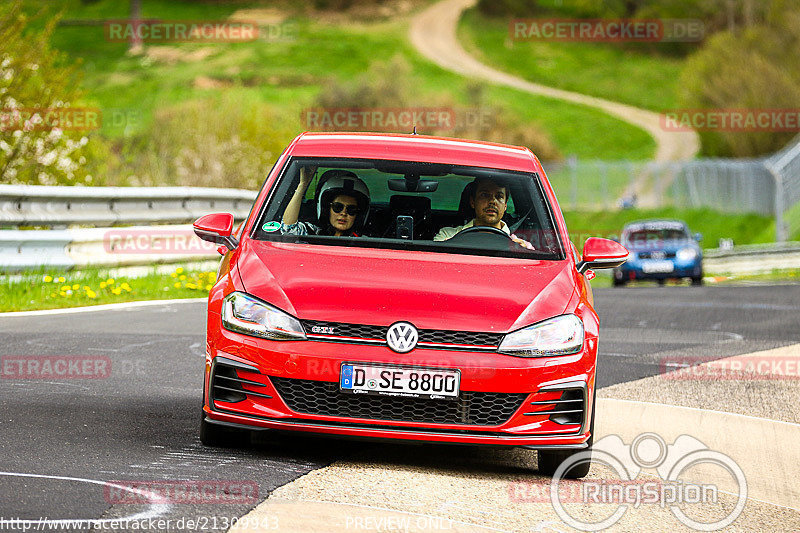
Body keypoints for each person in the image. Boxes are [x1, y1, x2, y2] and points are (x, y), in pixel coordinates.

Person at [434, 177, 534, 249]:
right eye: (485, 195)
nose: (492, 201)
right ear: (473, 202)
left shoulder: (522, 246)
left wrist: (523, 253)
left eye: (499, 196)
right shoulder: (447, 236)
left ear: (505, 206)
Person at [281, 167, 370, 237]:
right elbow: (288, 229)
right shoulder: (314, 233)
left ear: (358, 214)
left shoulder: (365, 243)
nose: (343, 213)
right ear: (327, 209)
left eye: (351, 209)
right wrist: (302, 185)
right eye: (337, 207)